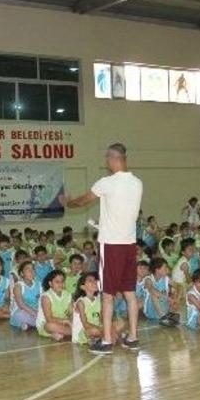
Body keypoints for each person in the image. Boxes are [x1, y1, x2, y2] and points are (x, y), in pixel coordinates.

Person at [60, 143, 143, 355]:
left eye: (108, 159)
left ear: (113, 159)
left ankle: (106, 341)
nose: (107, 163)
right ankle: (133, 338)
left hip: (111, 245)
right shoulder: (137, 183)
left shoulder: (107, 182)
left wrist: (68, 203)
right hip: (129, 244)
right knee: (130, 294)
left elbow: (83, 200)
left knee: (107, 294)